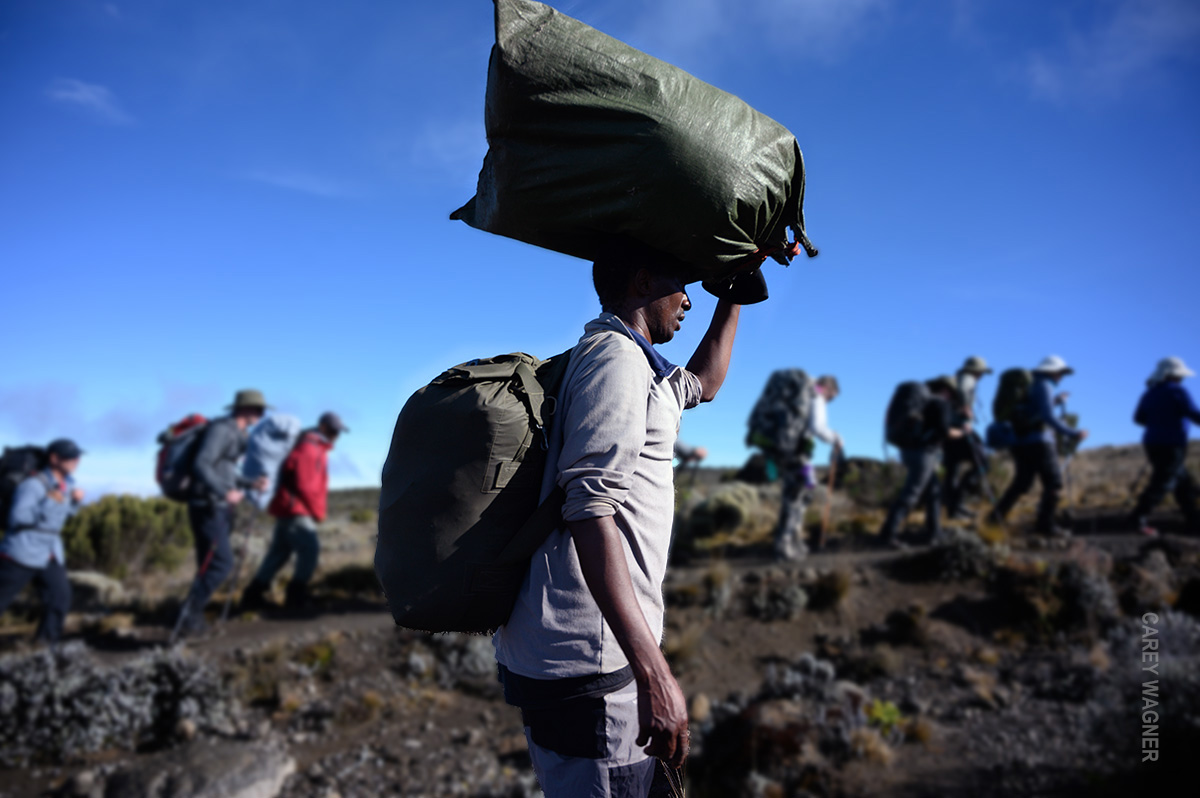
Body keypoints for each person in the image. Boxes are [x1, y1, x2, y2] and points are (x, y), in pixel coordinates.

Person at [493, 238, 756, 797]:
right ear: (640, 282)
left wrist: (733, 296)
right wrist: (654, 672)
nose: (688, 301)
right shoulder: (616, 360)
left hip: (595, 660)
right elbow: (589, 508)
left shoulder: (642, 368)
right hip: (589, 666)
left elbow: (702, 384)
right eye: (679, 285)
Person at [177, 389, 270, 637]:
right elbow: (201, 464)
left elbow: (225, 471)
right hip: (207, 505)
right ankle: (188, 615)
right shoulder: (221, 429)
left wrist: (250, 484)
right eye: (258, 410)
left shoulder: (237, 433)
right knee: (221, 563)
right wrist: (224, 491)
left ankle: (192, 619)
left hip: (217, 505)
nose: (261, 414)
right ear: (244, 409)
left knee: (208, 564)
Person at [240, 412, 349, 611]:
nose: (336, 435)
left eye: (338, 432)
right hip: (296, 509)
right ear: (323, 427)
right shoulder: (309, 448)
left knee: (279, 553)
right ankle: (296, 597)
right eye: (333, 431)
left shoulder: (310, 445)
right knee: (310, 550)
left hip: (286, 507)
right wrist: (318, 512)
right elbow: (305, 485)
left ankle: (252, 595)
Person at [989, 356, 1089, 537]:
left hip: (1020, 442)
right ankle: (1045, 525)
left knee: (1021, 483)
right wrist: (1073, 433)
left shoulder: (1032, 385)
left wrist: (1056, 400)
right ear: (1053, 371)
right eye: (1061, 373)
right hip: (1040, 442)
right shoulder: (1045, 386)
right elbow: (1048, 417)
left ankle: (993, 520)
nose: (1062, 376)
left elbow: (1035, 411)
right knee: (1054, 483)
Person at [0, 439, 85, 645]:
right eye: (70, 457)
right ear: (54, 458)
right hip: (22, 553)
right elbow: (18, 517)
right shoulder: (33, 485)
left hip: (49, 553)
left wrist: (74, 503)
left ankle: (45, 649)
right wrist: (49, 502)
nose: (76, 461)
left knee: (60, 598)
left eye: (77, 457)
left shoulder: (67, 485)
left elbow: (58, 517)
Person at [879, 377, 964, 549]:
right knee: (912, 493)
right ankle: (888, 534)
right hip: (923, 453)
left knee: (933, 491)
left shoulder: (925, 402)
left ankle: (935, 532)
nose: (952, 398)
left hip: (908, 450)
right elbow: (944, 431)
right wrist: (961, 432)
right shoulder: (940, 403)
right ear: (946, 390)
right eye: (952, 394)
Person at [774, 375, 843, 561]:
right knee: (797, 497)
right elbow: (817, 426)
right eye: (832, 397)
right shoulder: (816, 396)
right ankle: (786, 545)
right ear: (828, 389)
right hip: (799, 455)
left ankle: (791, 542)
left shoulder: (802, 395)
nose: (830, 400)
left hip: (790, 451)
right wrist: (835, 438)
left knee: (798, 495)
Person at [1131, 357, 1200, 536]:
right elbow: (1193, 413)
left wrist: (1158, 421)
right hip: (1172, 443)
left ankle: (1193, 520)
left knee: (1182, 482)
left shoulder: (1149, 393)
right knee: (1163, 482)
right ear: (1174, 375)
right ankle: (1137, 518)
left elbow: (1138, 418)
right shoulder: (1178, 392)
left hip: (1151, 442)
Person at [943, 356, 993, 520]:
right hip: (961, 428)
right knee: (982, 464)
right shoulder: (968, 378)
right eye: (982, 372)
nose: (982, 376)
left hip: (947, 430)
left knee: (953, 470)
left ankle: (954, 509)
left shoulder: (956, 378)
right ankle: (957, 504)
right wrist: (965, 407)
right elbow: (964, 390)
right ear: (977, 371)